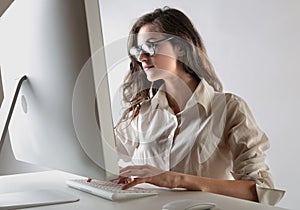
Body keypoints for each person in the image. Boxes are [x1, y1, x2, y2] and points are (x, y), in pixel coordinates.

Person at [114, 7, 285, 205]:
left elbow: (261, 191)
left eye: (150, 46)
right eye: (137, 51)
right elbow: (100, 157)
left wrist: (175, 179)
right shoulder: (142, 114)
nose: (142, 58)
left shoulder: (230, 109)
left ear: (180, 46)